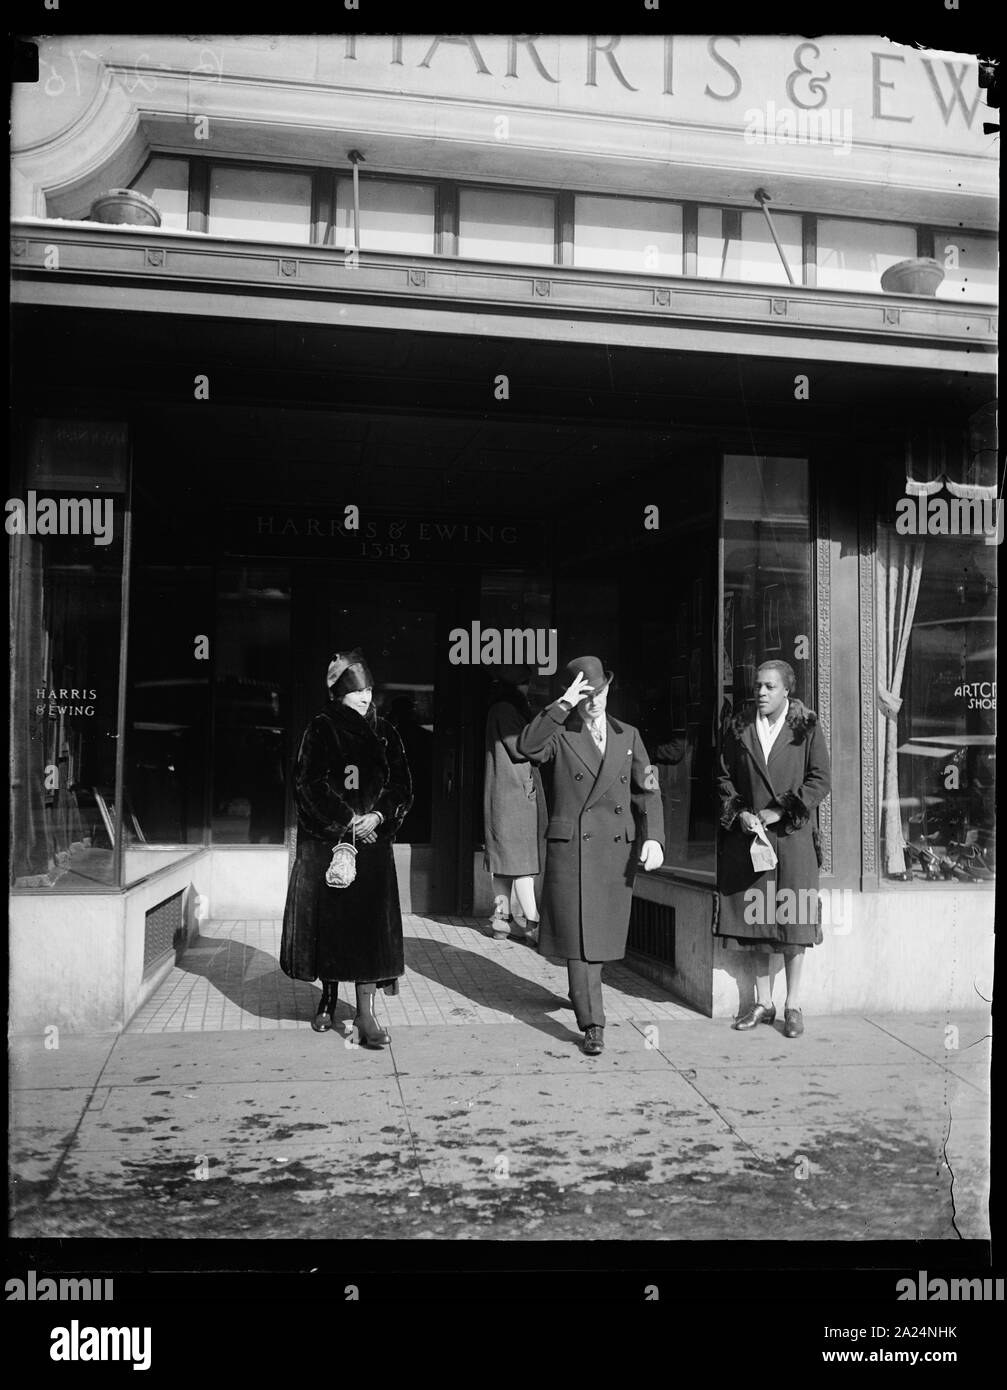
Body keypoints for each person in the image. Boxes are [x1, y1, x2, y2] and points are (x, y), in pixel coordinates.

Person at [517, 655, 665, 1055]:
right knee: (582, 939)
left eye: (598, 692)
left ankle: (581, 995)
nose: (594, 701)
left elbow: (648, 789)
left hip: (616, 851)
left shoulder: (628, 735)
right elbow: (526, 745)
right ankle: (593, 1023)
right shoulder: (561, 734)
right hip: (574, 852)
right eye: (585, 695)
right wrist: (562, 704)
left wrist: (655, 838)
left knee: (596, 938)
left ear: (608, 689)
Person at [280, 649, 412, 1048]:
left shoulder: (387, 732)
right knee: (331, 929)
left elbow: (402, 786)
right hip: (329, 846)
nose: (365, 698)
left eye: (369, 690)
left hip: (372, 848)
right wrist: (347, 821)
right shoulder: (320, 728)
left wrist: (378, 817)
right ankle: (328, 995)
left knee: (368, 933)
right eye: (357, 692)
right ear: (338, 694)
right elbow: (307, 784)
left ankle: (366, 1013)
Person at [715, 659, 832, 1038]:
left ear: (786, 692)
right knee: (760, 923)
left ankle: (792, 1005)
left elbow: (820, 780)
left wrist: (781, 809)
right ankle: (763, 1003)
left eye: (769, 687)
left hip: (793, 839)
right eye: (758, 686)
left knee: (794, 924)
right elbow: (723, 778)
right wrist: (741, 813)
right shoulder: (739, 727)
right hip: (754, 841)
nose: (760, 693)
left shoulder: (806, 728)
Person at [483, 666, 544, 942]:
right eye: (524, 683)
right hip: (516, 795)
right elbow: (520, 748)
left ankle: (501, 919)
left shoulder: (497, 708)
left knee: (503, 862)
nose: (527, 688)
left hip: (499, 794)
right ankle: (533, 924)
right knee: (522, 865)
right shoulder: (508, 710)